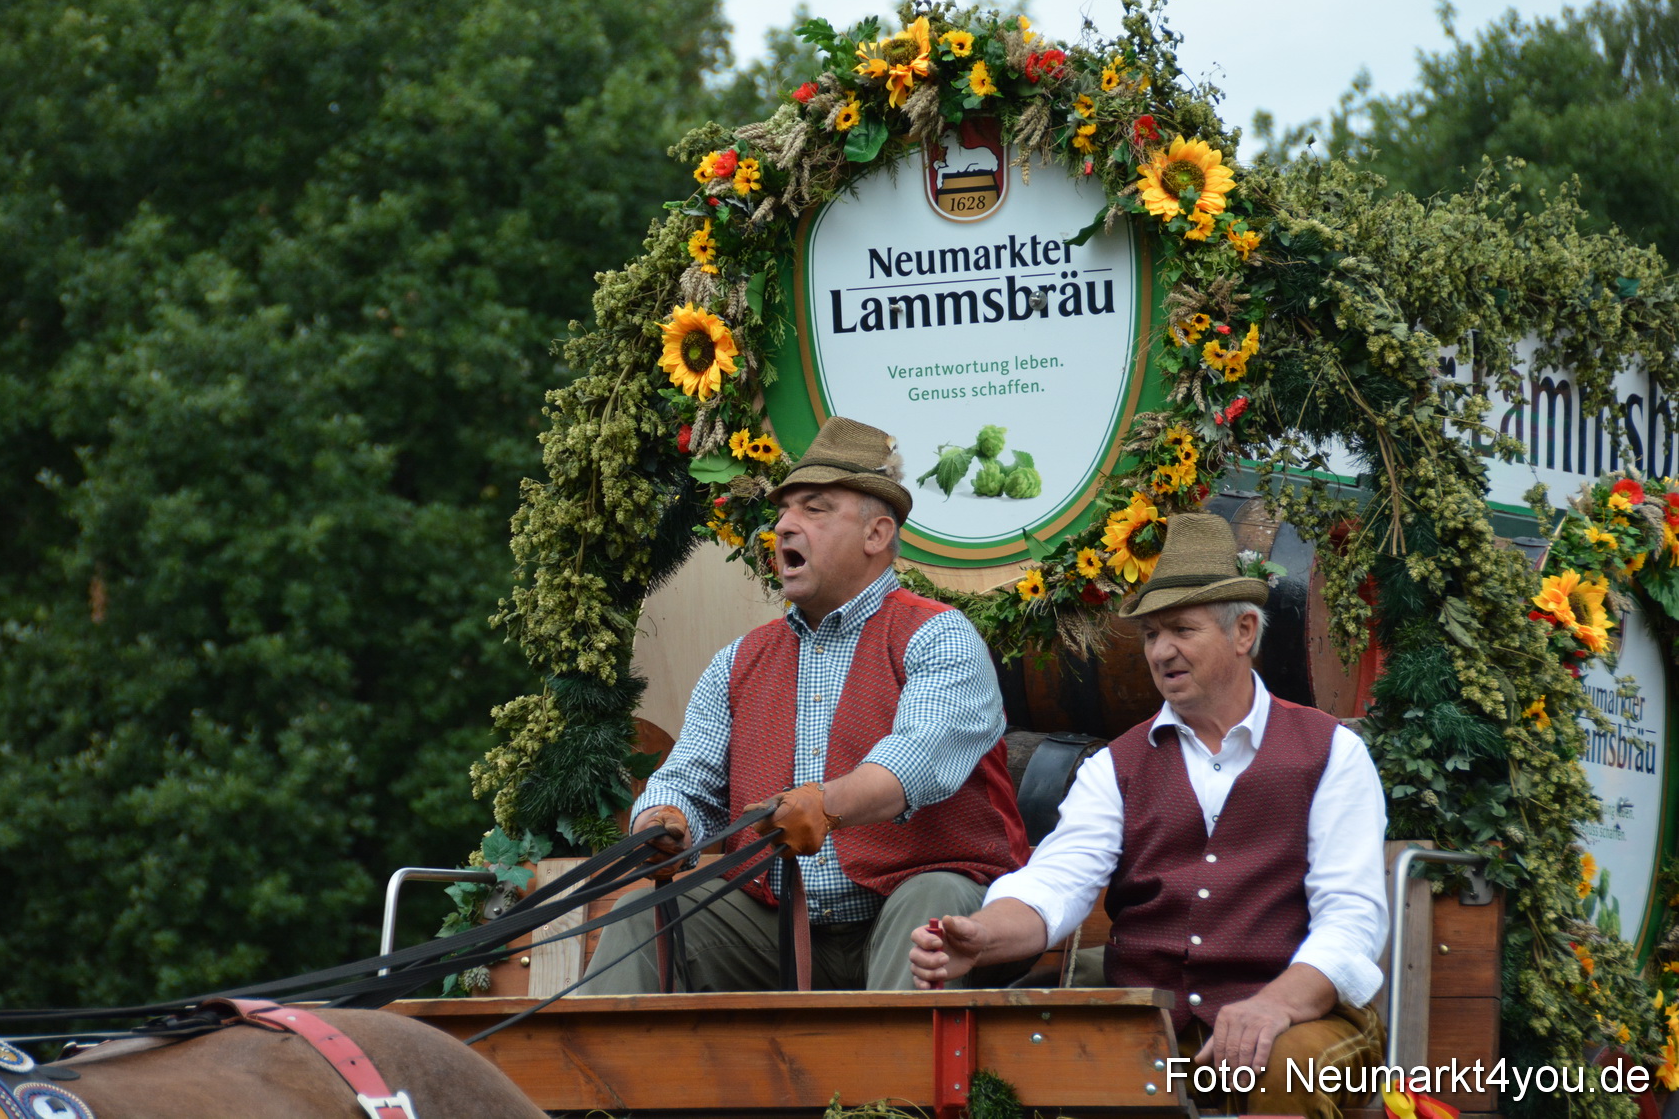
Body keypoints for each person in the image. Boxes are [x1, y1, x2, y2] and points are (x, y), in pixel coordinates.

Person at [909, 512, 1389, 1119]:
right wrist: (983, 936)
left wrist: (1275, 1005)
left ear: (1244, 631)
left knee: (1279, 1068)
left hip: (1305, 1019)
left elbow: (1352, 919)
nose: (1161, 651)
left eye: (1181, 630)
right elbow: (1058, 881)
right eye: (1150, 635)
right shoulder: (1118, 764)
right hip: (1158, 1025)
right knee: (1024, 1066)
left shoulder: (1330, 752)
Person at [579, 416, 1030, 994]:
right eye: (784, 513)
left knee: (933, 903)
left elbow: (913, 763)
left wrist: (825, 802)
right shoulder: (737, 661)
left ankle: (898, 1087)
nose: (786, 526)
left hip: (918, 903)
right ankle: (594, 1085)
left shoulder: (938, 636)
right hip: (779, 924)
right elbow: (687, 782)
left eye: (814, 509)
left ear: (876, 534)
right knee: (647, 912)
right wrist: (665, 822)